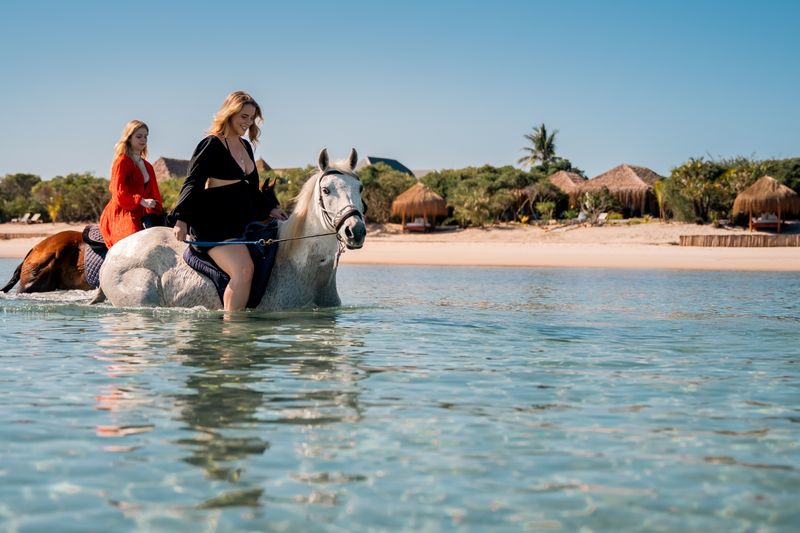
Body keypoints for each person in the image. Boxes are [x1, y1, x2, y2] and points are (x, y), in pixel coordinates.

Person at [170, 91, 288, 312]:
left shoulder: (246, 146)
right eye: (244, 116)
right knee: (243, 270)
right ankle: (232, 333)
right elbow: (193, 182)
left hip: (241, 222)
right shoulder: (211, 144)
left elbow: (250, 189)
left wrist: (270, 208)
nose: (248, 122)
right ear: (230, 113)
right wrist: (181, 219)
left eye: (252, 117)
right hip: (214, 227)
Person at [99, 120, 164, 248]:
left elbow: (154, 193)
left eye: (146, 136)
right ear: (129, 138)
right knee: (133, 244)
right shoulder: (122, 161)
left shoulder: (148, 166)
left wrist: (156, 208)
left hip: (143, 212)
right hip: (122, 211)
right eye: (139, 136)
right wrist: (141, 201)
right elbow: (118, 192)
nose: (143, 140)